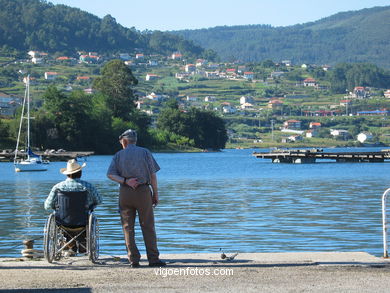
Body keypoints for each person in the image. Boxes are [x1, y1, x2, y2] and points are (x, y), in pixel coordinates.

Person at [107, 129, 166, 268]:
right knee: (148, 225)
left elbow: (110, 174)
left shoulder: (118, 155)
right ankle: (153, 259)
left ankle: (133, 259)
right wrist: (155, 193)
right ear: (135, 140)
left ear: (125, 141)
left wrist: (126, 181)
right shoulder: (145, 152)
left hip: (125, 192)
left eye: (122, 142)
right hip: (143, 191)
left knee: (128, 227)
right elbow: (153, 175)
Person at [44, 159, 102, 253]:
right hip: (83, 221)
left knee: (60, 219)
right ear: (80, 173)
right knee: (88, 214)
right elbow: (99, 201)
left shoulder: (58, 187)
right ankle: (83, 243)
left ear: (67, 174)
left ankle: (69, 244)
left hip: (63, 222)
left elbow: (47, 205)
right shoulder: (88, 186)